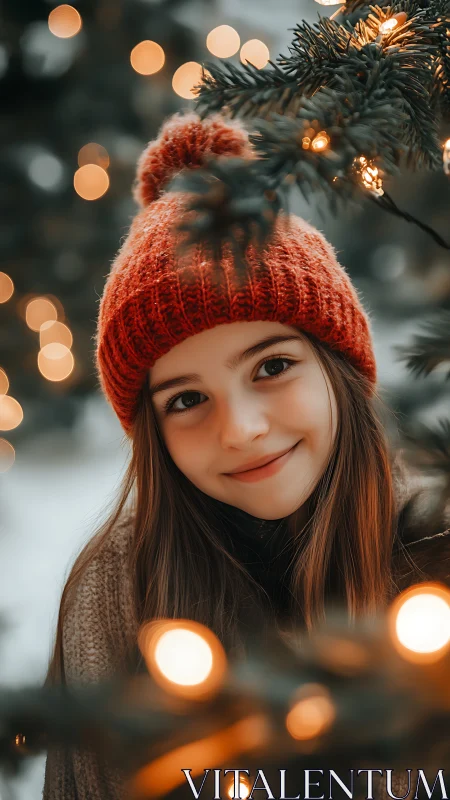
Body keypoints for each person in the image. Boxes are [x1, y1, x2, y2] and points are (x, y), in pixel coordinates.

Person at [42, 111, 450, 800]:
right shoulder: (117, 598)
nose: (242, 430)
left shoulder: (437, 550)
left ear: (338, 370)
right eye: (185, 400)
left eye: (271, 367)